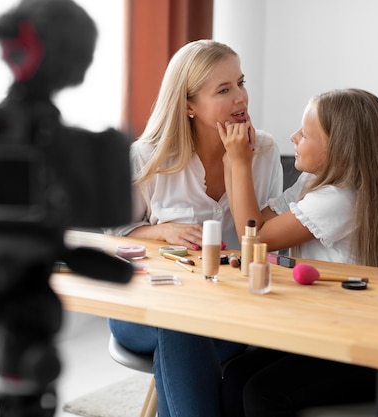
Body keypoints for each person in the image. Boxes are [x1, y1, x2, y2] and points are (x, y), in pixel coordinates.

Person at [106, 39, 284, 417]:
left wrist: (241, 163)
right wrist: (162, 231)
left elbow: (267, 239)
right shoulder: (147, 157)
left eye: (241, 82)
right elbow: (115, 234)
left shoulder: (264, 153)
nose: (241, 97)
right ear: (188, 105)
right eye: (224, 89)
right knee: (180, 321)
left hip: (228, 310)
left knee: (185, 331)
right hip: (144, 309)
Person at [218, 88, 378, 416]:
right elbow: (259, 221)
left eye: (304, 134)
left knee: (263, 394)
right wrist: (232, 163)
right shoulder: (312, 182)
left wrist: (239, 162)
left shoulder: (340, 198)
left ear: (338, 148)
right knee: (234, 375)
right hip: (321, 333)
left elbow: (256, 236)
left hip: (360, 348)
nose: (293, 137)